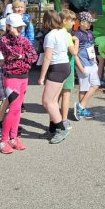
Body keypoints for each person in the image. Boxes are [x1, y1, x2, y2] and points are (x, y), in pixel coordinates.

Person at [0, 13, 37, 153]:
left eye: (20, 27)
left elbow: (34, 56)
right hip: (11, 76)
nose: (19, 30)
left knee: (18, 108)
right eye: (16, 27)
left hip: (24, 77)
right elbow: (11, 53)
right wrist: (23, 56)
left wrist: (22, 56)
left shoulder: (24, 40)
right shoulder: (4, 39)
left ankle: (14, 137)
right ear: (8, 26)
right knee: (13, 108)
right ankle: (3, 140)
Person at [38, 10, 76, 145]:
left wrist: (41, 76)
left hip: (57, 68)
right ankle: (52, 129)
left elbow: (47, 57)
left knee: (47, 102)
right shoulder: (62, 33)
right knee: (52, 101)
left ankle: (61, 129)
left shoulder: (50, 35)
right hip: (64, 66)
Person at [73, 11, 100, 119]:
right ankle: (81, 109)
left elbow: (91, 47)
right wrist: (80, 66)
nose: (90, 24)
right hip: (83, 64)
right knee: (84, 87)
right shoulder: (77, 35)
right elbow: (75, 52)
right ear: (82, 22)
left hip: (91, 63)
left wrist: (94, 61)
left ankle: (80, 107)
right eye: (89, 22)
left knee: (95, 84)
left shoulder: (90, 33)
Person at [59, 10, 80, 130]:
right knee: (66, 93)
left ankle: (54, 120)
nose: (73, 22)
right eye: (71, 20)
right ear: (64, 21)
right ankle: (64, 119)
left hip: (56, 66)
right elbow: (74, 52)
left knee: (56, 95)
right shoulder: (67, 35)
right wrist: (76, 41)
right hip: (67, 66)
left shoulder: (54, 32)